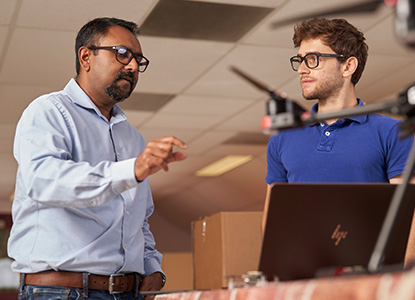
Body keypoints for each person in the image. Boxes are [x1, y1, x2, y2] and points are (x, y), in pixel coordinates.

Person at [7, 17, 187, 300]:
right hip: (60, 292)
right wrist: (132, 169)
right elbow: (44, 182)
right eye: (123, 54)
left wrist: (152, 267)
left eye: (138, 60)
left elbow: (137, 218)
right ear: (86, 56)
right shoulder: (48, 112)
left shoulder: (132, 137)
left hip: (128, 292)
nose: (131, 66)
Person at [264, 18, 415, 265]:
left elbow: (410, 217)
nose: (302, 69)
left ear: (348, 66)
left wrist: (402, 281)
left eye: (313, 59)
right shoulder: (282, 138)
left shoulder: (393, 132)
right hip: (303, 281)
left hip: (369, 281)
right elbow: (272, 219)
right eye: (300, 60)